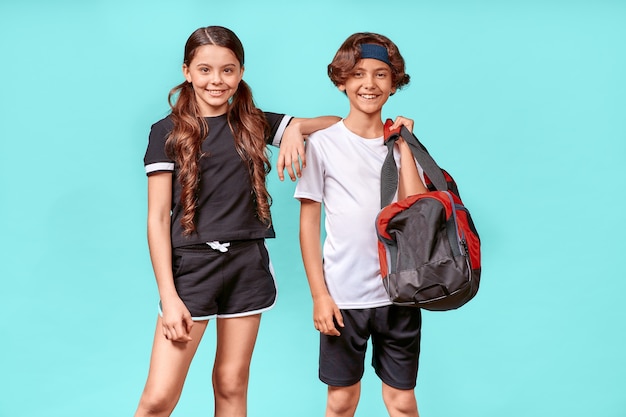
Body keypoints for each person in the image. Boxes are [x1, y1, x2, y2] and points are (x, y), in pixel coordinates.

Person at [135, 26, 339, 417]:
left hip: (247, 265)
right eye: (205, 69)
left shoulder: (254, 122)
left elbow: (336, 123)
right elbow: (158, 217)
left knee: (231, 384)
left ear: (241, 72)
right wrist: (169, 295)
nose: (217, 80)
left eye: (227, 70)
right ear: (187, 71)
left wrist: (296, 127)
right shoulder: (166, 132)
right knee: (159, 398)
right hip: (192, 269)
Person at [294, 33, 428, 417]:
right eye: (358, 74)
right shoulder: (323, 144)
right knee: (341, 402)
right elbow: (308, 227)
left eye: (381, 75)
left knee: (402, 402)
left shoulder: (401, 143)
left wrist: (405, 145)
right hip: (343, 298)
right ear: (342, 81)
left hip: (399, 293)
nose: (369, 84)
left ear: (394, 83)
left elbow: (417, 209)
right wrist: (320, 295)